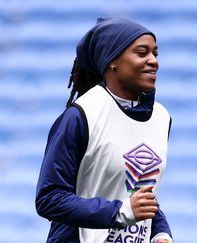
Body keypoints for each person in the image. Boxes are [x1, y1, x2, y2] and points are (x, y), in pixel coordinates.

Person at [35, 17, 173, 243]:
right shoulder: (80, 116)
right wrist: (119, 212)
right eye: (142, 53)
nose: (153, 61)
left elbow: (137, 192)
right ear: (113, 61)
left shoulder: (161, 118)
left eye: (155, 54)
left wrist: (160, 232)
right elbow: (49, 198)